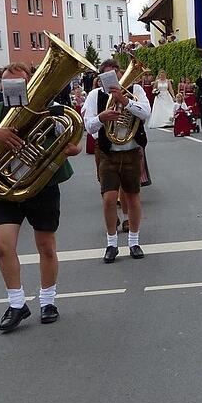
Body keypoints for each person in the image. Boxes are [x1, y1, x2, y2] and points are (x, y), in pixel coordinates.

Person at [0, 63, 80, 332]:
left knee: (47, 247)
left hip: (41, 185)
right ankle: (16, 303)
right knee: (4, 246)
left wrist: (68, 149)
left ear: (30, 84)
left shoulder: (49, 110)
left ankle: (48, 300)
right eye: (8, 85)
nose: (13, 90)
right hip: (6, 188)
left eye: (18, 84)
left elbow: (73, 141)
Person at [83, 59, 152, 263]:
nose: (112, 79)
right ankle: (111, 244)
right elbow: (89, 127)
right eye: (107, 76)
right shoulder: (95, 95)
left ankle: (134, 241)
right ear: (101, 79)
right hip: (108, 152)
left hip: (131, 151)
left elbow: (146, 113)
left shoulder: (135, 89)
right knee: (109, 198)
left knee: (132, 198)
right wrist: (102, 118)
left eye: (115, 74)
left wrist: (125, 100)